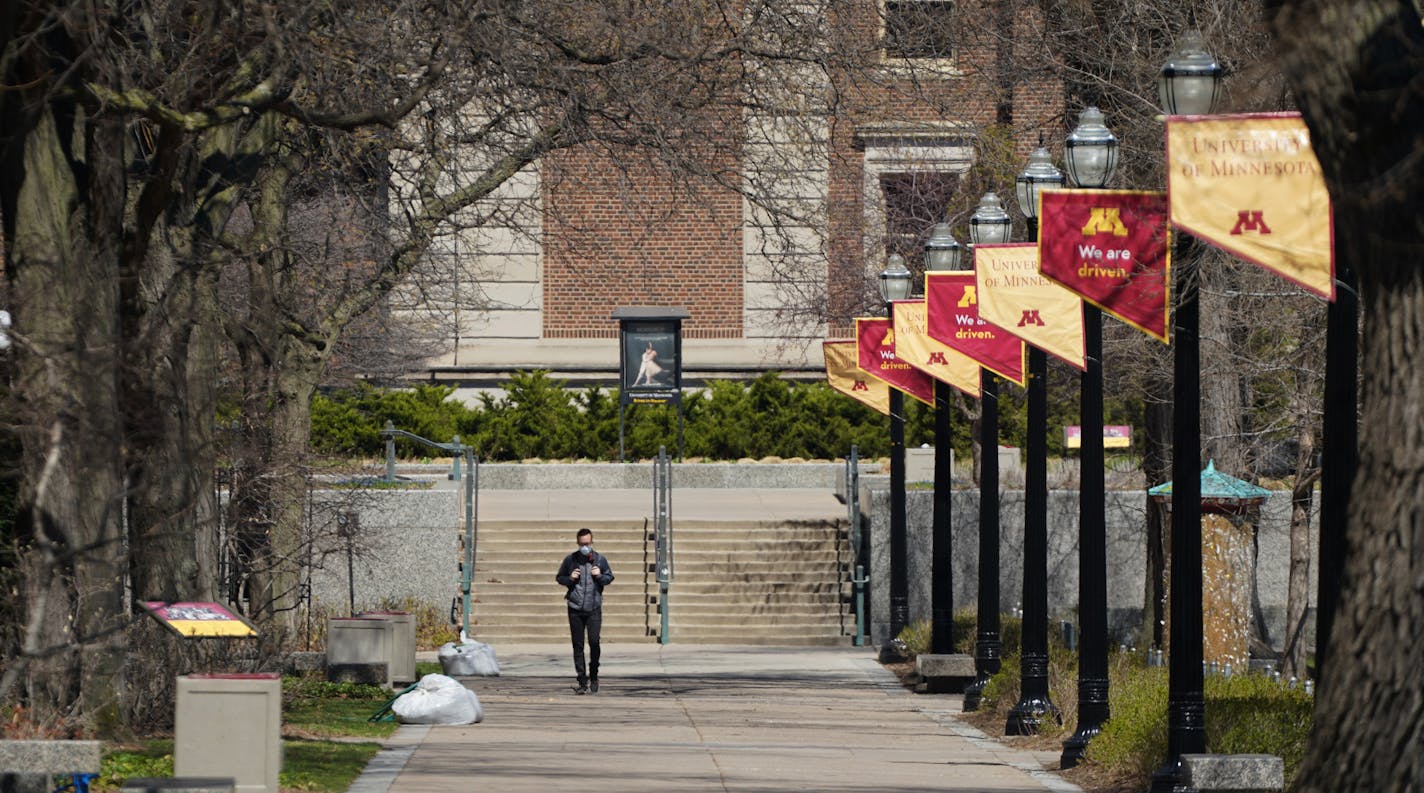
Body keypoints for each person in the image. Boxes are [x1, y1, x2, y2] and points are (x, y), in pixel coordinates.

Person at [555, 528, 614, 694]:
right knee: (578, 645)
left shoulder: (600, 560)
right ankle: (582, 680)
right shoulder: (570, 560)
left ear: (592, 542)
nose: (584, 547)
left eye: (587, 544)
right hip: (575, 607)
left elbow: (609, 578)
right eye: (581, 544)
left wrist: (600, 576)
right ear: (577, 543)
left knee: (594, 642)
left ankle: (594, 674)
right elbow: (559, 578)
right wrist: (570, 578)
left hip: (594, 607)